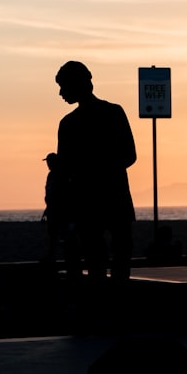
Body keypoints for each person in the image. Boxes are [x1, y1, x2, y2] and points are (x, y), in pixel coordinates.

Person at [54, 60, 137, 284]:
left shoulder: (69, 124)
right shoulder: (113, 113)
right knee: (117, 257)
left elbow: (67, 169)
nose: (61, 93)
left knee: (97, 259)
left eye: (63, 86)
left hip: (90, 201)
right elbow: (129, 155)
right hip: (112, 196)